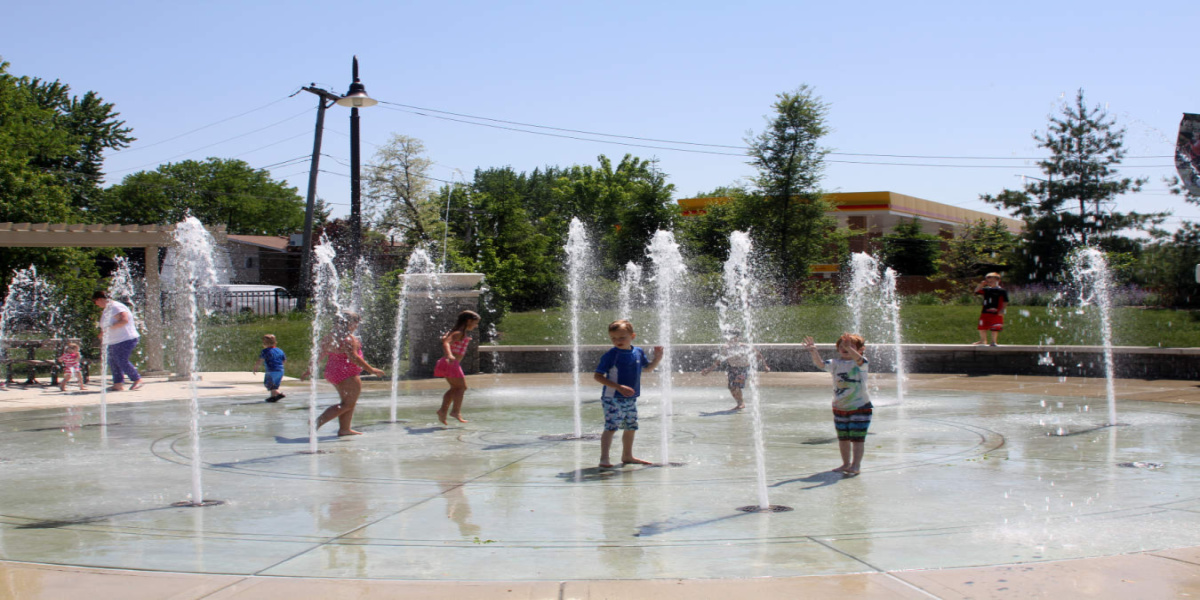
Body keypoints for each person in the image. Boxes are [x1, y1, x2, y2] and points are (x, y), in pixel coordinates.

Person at [593, 319, 663, 469]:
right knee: (611, 427)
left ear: (633, 336)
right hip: (612, 398)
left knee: (630, 427)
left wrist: (657, 359)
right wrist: (618, 387)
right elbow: (598, 376)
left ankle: (627, 456)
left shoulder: (638, 352)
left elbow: (648, 369)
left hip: (630, 398)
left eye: (622, 337)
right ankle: (604, 458)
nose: (617, 341)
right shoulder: (611, 355)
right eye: (613, 338)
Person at [301, 312, 384, 436]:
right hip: (347, 373)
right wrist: (371, 369)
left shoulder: (330, 337)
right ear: (350, 323)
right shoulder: (349, 339)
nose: (357, 325)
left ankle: (345, 429)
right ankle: (317, 422)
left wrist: (309, 369)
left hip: (333, 372)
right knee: (348, 403)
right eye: (356, 322)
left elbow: (319, 354)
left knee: (348, 402)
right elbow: (354, 358)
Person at [804, 333, 870, 477]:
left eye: (850, 346)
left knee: (857, 439)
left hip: (860, 407)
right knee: (843, 438)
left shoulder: (861, 363)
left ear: (861, 349)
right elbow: (821, 364)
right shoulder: (835, 363)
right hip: (840, 407)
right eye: (842, 346)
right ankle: (845, 463)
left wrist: (849, 348)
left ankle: (856, 465)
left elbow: (859, 359)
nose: (845, 348)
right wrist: (814, 351)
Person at [700, 329, 770, 410]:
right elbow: (719, 361)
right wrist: (708, 370)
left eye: (733, 338)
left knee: (736, 386)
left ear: (738, 338)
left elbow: (758, 355)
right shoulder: (726, 348)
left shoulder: (745, 346)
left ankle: (741, 404)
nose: (730, 339)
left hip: (743, 369)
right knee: (731, 387)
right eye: (729, 337)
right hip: (732, 368)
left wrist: (765, 366)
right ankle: (740, 403)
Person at [435, 310, 481, 425]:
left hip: (448, 363)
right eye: (475, 323)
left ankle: (442, 411)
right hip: (451, 363)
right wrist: (449, 355)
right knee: (461, 388)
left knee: (454, 388)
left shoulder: (458, 332)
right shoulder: (458, 333)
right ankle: (455, 412)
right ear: (469, 321)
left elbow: (445, 340)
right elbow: (446, 343)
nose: (476, 326)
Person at [93, 290, 143, 392]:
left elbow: (124, 320)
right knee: (113, 361)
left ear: (99, 299)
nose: (96, 304)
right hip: (115, 340)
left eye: (95, 302)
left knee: (121, 360)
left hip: (125, 338)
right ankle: (118, 384)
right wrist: (103, 333)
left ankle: (137, 379)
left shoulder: (115, 307)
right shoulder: (108, 308)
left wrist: (108, 328)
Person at [973, 272, 1009, 346]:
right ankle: (983, 340)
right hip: (985, 311)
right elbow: (976, 291)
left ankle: (993, 341)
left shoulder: (1001, 291)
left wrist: (1003, 309)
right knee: (982, 326)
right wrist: (981, 285)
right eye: (988, 282)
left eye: (991, 281)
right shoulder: (986, 290)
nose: (990, 283)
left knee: (995, 327)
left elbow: (1005, 301)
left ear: (998, 281)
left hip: (996, 312)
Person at [253, 334, 286, 402]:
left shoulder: (265, 351)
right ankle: (273, 397)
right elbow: (284, 360)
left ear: (264, 343)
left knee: (268, 384)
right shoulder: (280, 350)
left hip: (271, 370)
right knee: (274, 385)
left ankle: (279, 394)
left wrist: (255, 367)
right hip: (280, 370)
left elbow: (260, 360)